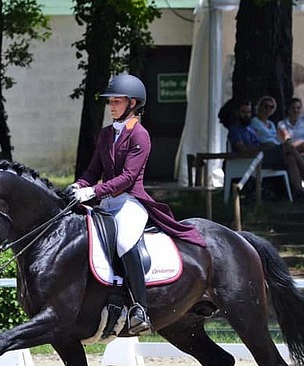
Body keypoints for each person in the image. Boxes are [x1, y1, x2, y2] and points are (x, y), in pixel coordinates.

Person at [66, 74, 206, 336]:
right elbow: (93, 169)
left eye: (117, 102)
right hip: (106, 202)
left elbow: (127, 178)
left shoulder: (140, 135)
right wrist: (79, 186)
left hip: (130, 201)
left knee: (124, 241)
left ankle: (139, 308)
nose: (112, 106)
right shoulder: (107, 133)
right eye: (111, 102)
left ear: (133, 103)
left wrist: (93, 191)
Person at [228, 98, 304, 202]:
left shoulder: (249, 129)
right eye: (244, 112)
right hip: (253, 161)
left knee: (295, 157)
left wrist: (265, 146)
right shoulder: (235, 130)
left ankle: (300, 192)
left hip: (264, 156)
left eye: (248, 112)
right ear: (237, 113)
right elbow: (242, 149)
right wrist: (261, 147)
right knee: (289, 146)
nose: (247, 115)